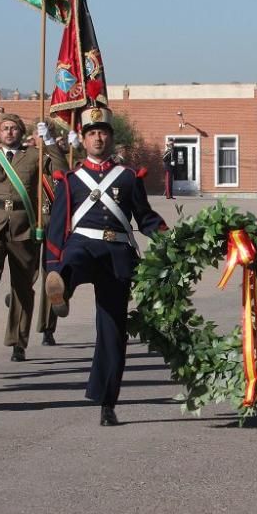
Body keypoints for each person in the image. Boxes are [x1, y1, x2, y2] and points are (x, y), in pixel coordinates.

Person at [43, 107, 167, 426]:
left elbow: (146, 217)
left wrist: (170, 238)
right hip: (82, 244)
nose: (98, 137)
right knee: (72, 261)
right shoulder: (70, 180)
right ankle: (61, 288)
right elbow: (57, 229)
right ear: (83, 140)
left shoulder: (128, 177)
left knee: (112, 332)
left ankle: (107, 402)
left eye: (104, 132)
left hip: (118, 253)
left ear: (111, 137)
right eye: (92, 132)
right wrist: (51, 266)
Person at [0, 114, 67, 362]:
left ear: (21, 132)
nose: (9, 132)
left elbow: (62, 171)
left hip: (24, 225)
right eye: (5, 128)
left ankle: (18, 341)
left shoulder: (34, 155)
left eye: (14, 128)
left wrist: (50, 142)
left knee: (22, 287)